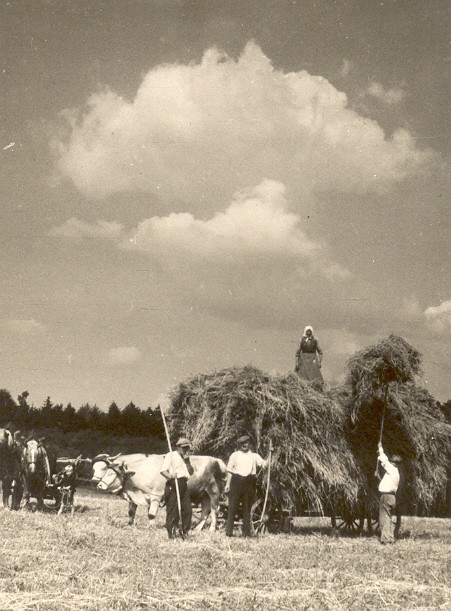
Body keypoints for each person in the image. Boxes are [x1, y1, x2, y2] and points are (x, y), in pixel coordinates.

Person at [225, 435, 272, 538]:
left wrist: (270, 454)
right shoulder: (235, 455)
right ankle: (229, 533)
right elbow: (229, 470)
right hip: (236, 482)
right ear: (239, 445)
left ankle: (246, 533)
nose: (244, 445)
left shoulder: (254, 456)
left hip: (249, 483)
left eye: (246, 443)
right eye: (242, 443)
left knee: (247, 508)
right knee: (232, 507)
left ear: (249, 444)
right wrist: (228, 484)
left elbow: (265, 465)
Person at [160, 437, 194, 539]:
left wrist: (187, 461)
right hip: (173, 484)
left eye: (187, 448)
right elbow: (163, 471)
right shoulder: (171, 455)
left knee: (188, 509)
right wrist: (170, 476)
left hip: (183, 484)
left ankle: (184, 531)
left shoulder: (185, 458)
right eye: (183, 448)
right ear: (178, 447)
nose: (185, 450)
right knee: (172, 510)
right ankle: (172, 533)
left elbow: (191, 472)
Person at [377, 441, 402, 544]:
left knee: (385, 517)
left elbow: (384, 461)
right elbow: (387, 484)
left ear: (394, 463)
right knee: (389, 517)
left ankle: (386, 539)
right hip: (392, 497)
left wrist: (380, 448)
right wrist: (378, 477)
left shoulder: (392, 469)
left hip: (386, 497)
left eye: (392, 461)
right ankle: (390, 538)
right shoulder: (396, 474)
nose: (390, 463)